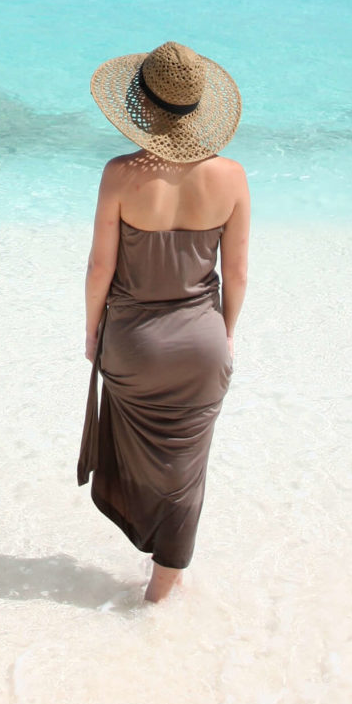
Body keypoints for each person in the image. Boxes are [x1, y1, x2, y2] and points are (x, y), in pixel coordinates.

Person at [79, 40, 249, 604]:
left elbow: (101, 266)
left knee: (135, 450)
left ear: (139, 105)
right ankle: (159, 595)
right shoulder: (232, 178)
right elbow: (239, 276)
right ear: (197, 108)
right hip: (201, 346)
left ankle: (149, 579)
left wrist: (92, 332)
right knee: (186, 470)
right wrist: (222, 337)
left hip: (131, 345)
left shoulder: (120, 174)